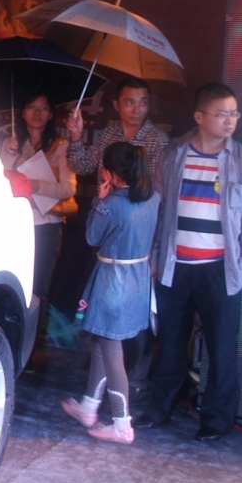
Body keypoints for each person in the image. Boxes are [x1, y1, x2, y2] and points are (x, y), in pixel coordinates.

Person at [136, 83, 242, 441]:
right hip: (175, 265)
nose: (230, 120)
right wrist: (155, 255)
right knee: (170, 343)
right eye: (222, 114)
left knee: (222, 348)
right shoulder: (174, 155)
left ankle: (216, 421)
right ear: (200, 117)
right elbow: (159, 209)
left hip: (220, 269)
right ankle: (160, 409)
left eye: (234, 114)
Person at [66, 77, 169, 398]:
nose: (136, 109)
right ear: (116, 104)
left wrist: (153, 251)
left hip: (136, 243)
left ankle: (132, 378)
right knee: (106, 315)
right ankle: (96, 388)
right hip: (108, 232)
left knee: (131, 317)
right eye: (129, 102)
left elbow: (159, 200)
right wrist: (76, 137)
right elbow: (82, 164)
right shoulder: (109, 134)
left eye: (143, 102)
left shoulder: (157, 140)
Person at [61, 142, 159, 444]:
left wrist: (98, 201)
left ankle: (121, 424)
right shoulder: (153, 198)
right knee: (104, 343)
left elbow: (92, 236)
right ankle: (89, 407)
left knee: (112, 350)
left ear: (110, 172)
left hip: (112, 280)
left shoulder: (111, 203)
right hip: (138, 278)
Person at [0, 93, 76, 332]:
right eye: (31, 107)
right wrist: (8, 155)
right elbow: (0, 182)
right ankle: (12, 335)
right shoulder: (11, 143)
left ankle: (33, 343)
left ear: (51, 114)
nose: (37, 113)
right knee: (13, 284)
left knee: (38, 288)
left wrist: (34, 186)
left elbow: (68, 189)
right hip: (16, 225)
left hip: (47, 228)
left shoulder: (60, 145)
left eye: (43, 108)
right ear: (22, 112)